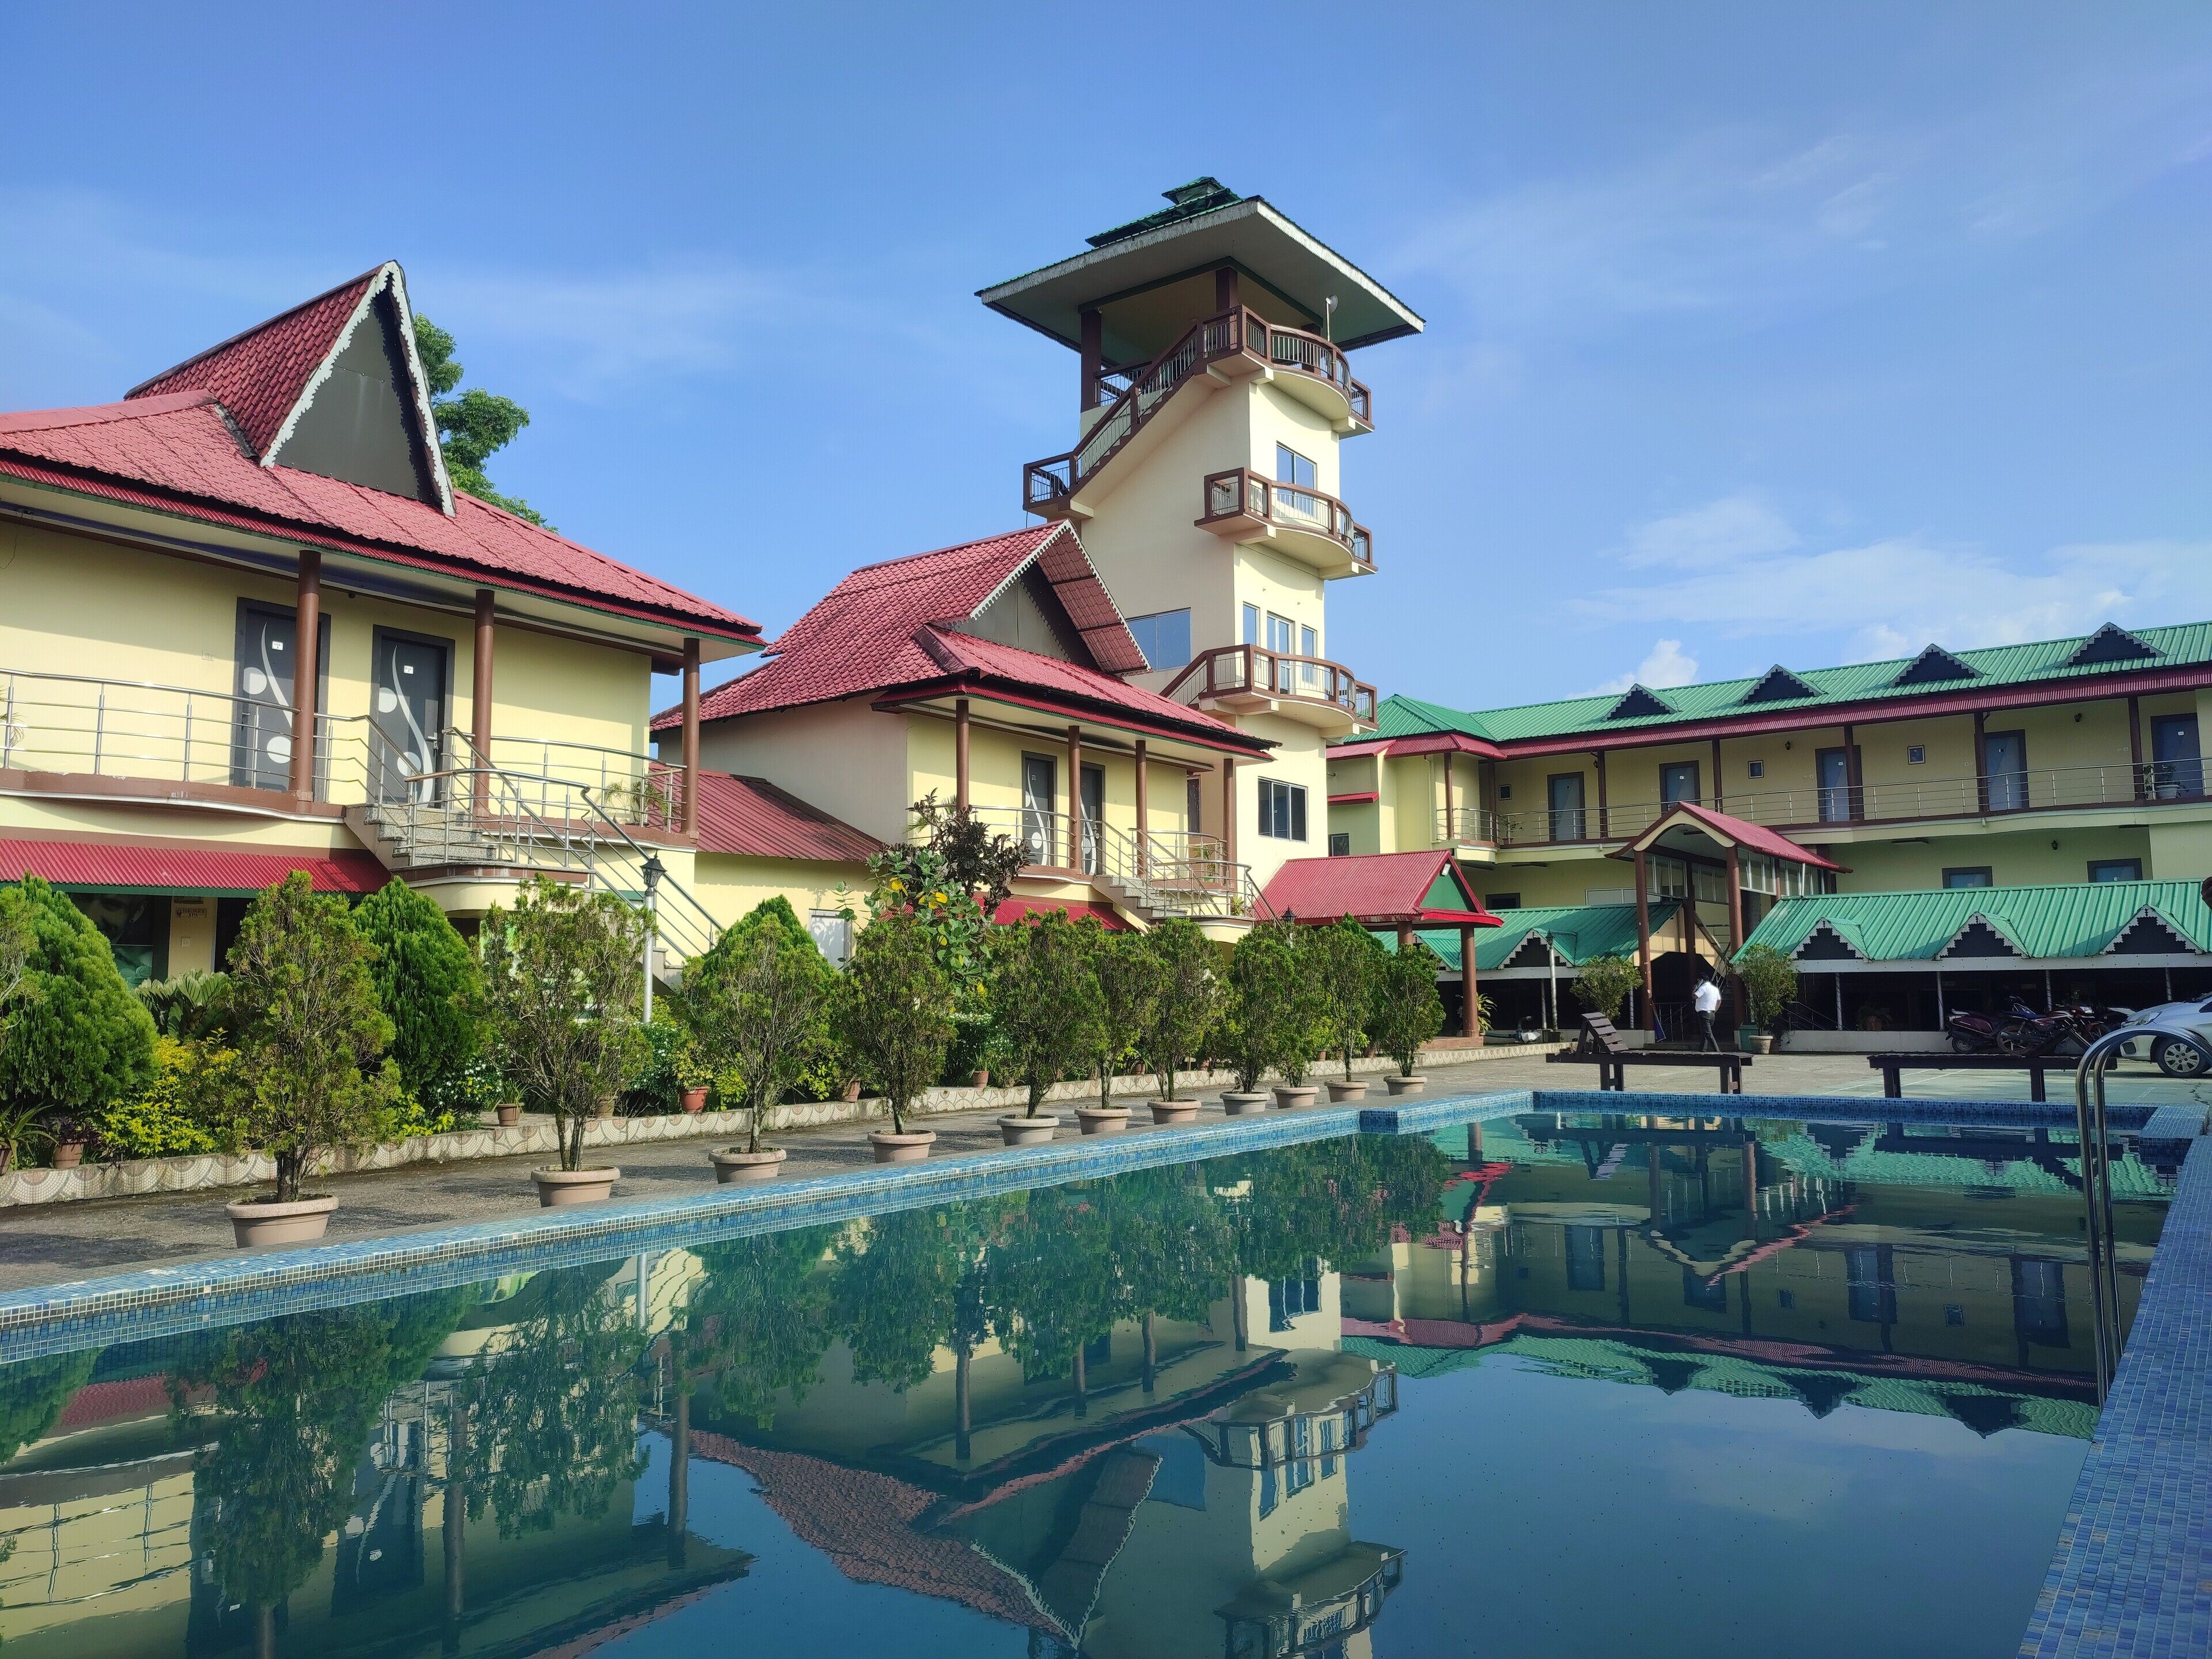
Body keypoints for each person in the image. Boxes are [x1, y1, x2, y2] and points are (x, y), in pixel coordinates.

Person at [1692, 972, 1722, 1052]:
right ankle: (1703, 1050)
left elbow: (1695, 996)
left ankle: (1717, 1051)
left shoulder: (1702, 988)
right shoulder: (1715, 989)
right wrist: (1714, 1011)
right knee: (1704, 1033)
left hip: (1704, 1013)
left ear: (1701, 980)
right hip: (1712, 1014)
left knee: (1708, 1034)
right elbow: (1719, 1002)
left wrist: (1695, 989)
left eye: (1698, 981)